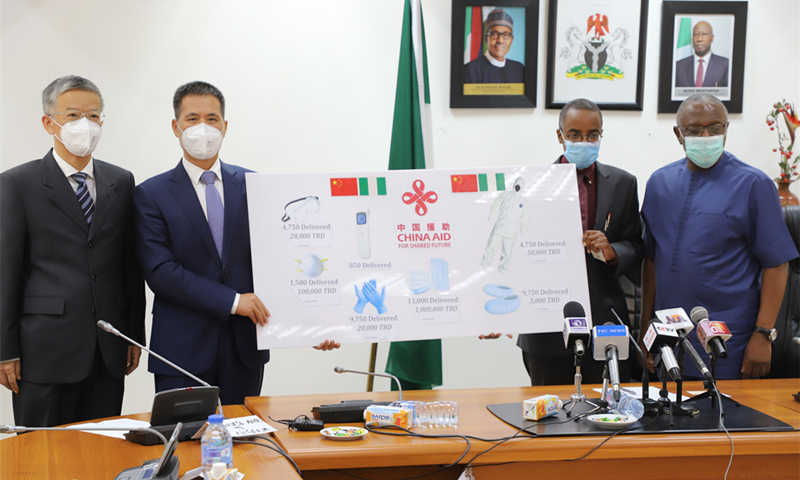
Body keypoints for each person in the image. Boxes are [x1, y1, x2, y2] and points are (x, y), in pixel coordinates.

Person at [134, 81, 338, 405]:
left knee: (245, 434)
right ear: (176, 127)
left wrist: (306, 324)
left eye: (212, 119)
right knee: (186, 435)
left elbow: (279, 261)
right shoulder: (151, 193)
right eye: (192, 119)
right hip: (182, 348)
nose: (203, 128)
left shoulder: (255, 185)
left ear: (225, 126)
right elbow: (160, 272)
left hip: (244, 347)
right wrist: (232, 300)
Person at [0, 76, 145, 427]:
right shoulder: (17, 183)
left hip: (108, 347)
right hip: (44, 351)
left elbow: (130, 265)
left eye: (93, 116)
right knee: (44, 451)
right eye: (74, 115)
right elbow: (6, 272)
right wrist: (5, 350)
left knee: (103, 447)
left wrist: (134, 335)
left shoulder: (121, 180)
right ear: (49, 123)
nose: (86, 125)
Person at [640, 94, 798, 380]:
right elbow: (651, 260)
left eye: (715, 128)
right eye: (694, 129)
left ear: (726, 129)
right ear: (678, 134)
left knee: (725, 409)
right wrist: (644, 329)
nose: (706, 137)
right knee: (668, 407)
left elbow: (777, 263)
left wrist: (763, 334)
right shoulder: (658, 183)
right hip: (668, 340)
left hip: (728, 344)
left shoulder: (754, 184)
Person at [514, 99, 644, 385]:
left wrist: (612, 252)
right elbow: (513, 253)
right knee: (550, 409)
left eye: (592, 135)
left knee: (608, 407)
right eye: (575, 135)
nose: (584, 142)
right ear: (560, 135)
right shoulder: (531, 185)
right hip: (545, 328)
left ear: (601, 135)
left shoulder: (623, 183)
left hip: (605, 323)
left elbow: (636, 245)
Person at [464, 9, 524, 84]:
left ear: (511, 40)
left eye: (506, 35)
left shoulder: (519, 69)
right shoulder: (470, 70)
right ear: (486, 39)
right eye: (495, 34)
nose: (500, 40)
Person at [675, 21, 729, 88]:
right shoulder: (678, 66)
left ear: (712, 38)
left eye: (704, 34)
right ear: (692, 38)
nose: (700, 39)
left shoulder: (725, 65)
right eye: (696, 34)